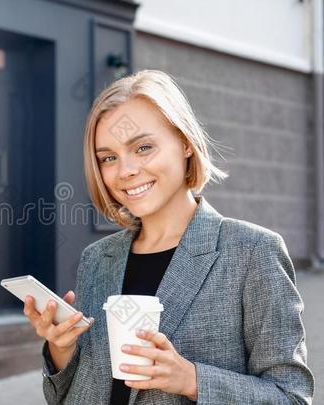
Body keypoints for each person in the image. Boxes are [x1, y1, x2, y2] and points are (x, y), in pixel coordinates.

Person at [23, 70, 314, 404]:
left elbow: (291, 396)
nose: (125, 171)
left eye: (143, 147)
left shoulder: (252, 252)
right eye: (109, 158)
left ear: (185, 143)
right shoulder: (97, 258)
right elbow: (70, 394)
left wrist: (191, 379)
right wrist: (61, 349)